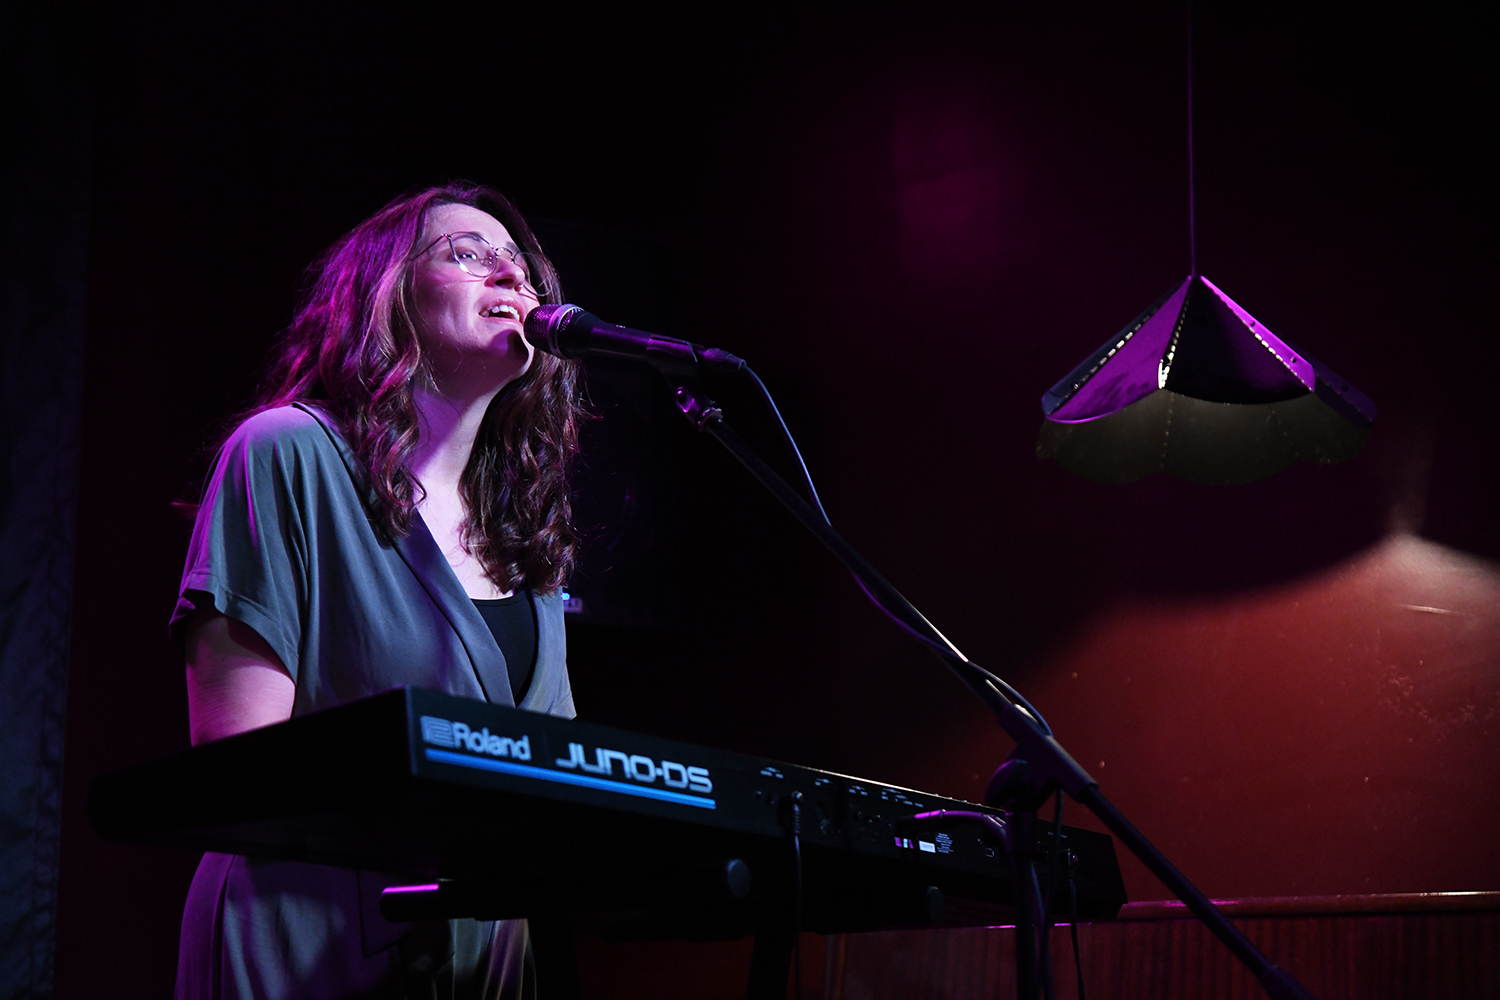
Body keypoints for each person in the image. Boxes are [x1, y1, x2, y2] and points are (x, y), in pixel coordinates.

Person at [169, 182, 583, 999]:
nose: (512, 275)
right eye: (468, 253)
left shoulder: (526, 529)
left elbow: (553, 784)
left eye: (520, 264)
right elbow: (235, 765)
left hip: (486, 960)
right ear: (387, 292)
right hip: (306, 942)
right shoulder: (286, 452)